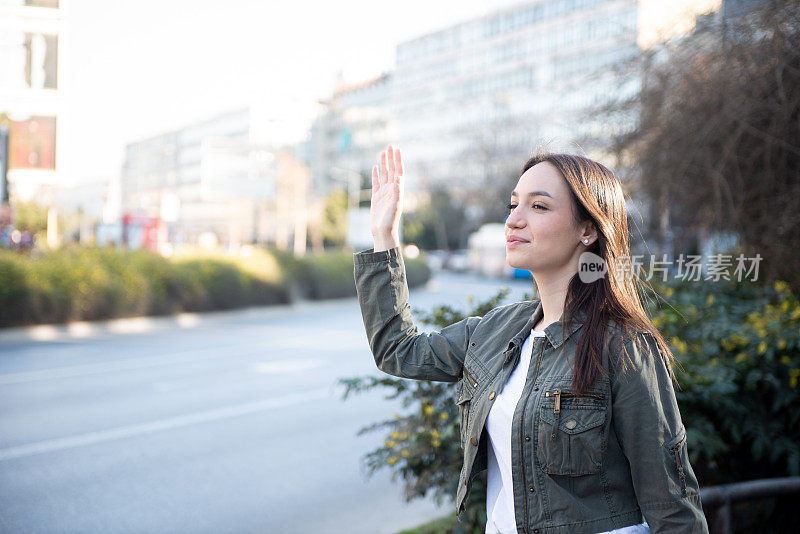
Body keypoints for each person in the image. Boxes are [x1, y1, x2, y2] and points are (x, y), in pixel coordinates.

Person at [353, 145, 709, 534]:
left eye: (538, 207)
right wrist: (384, 235)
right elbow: (398, 351)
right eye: (513, 205)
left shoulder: (623, 346)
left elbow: (672, 505)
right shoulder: (494, 331)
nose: (514, 221)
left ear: (587, 230)